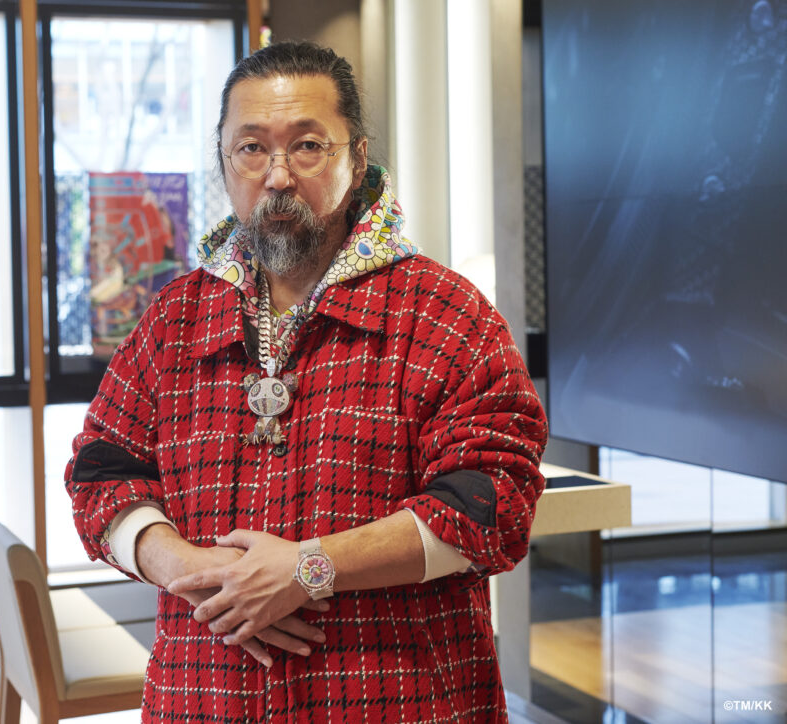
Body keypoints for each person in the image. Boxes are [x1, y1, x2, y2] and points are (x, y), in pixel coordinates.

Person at [65, 40, 549, 723]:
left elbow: (493, 503)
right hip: (203, 697)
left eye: (308, 146)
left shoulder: (444, 315)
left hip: (396, 700)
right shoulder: (175, 319)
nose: (278, 176)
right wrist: (185, 568)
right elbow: (100, 474)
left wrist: (309, 569)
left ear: (358, 157)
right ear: (223, 162)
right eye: (251, 148)